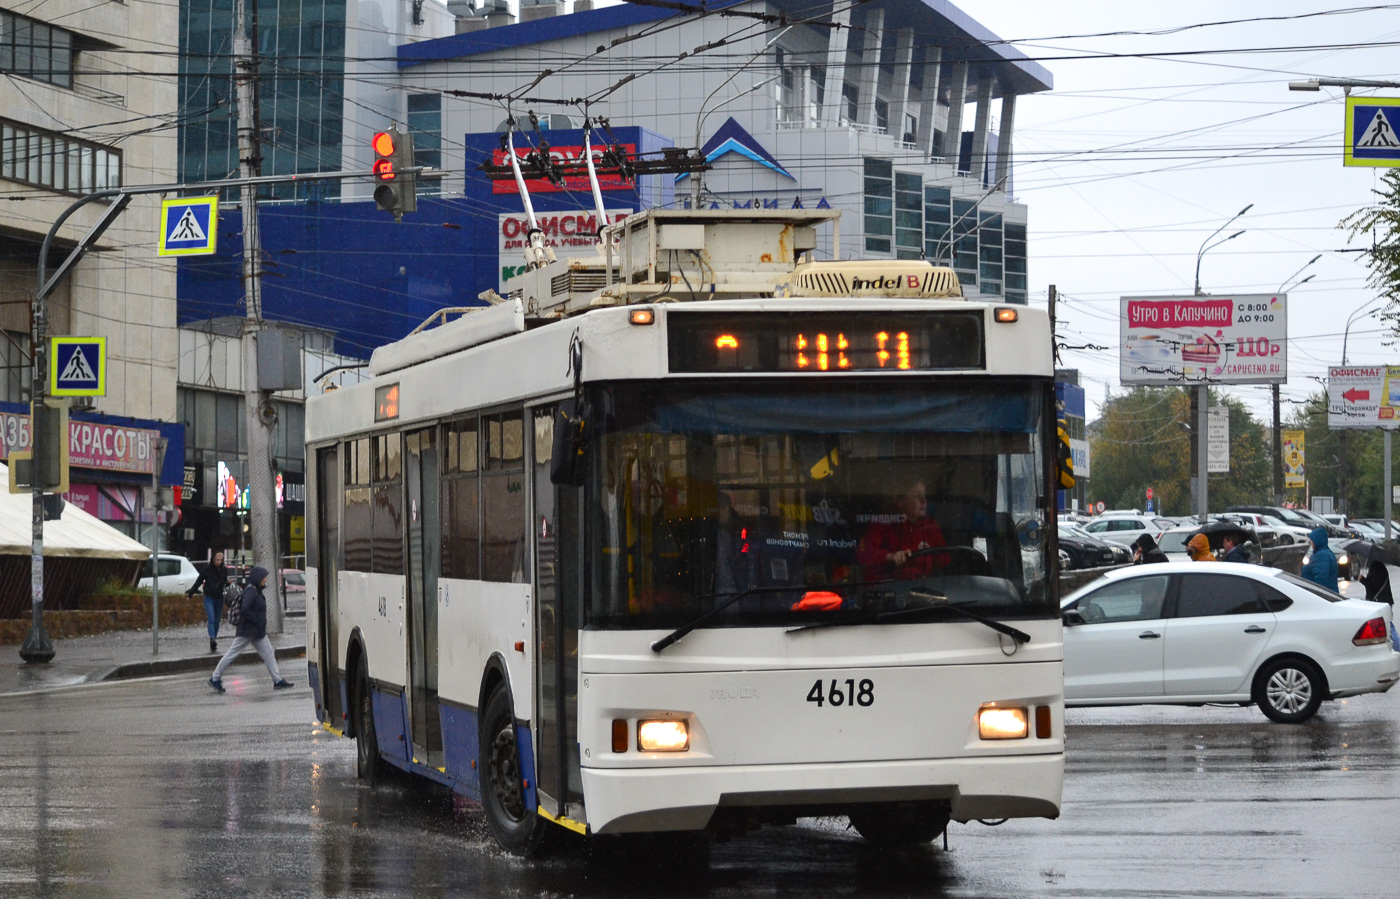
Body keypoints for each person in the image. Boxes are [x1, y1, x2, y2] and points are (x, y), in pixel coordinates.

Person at [208, 565, 294, 693]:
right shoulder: (251, 591)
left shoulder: (255, 590)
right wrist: (257, 620)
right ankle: (215, 678)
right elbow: (245, 609)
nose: (266, 580)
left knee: (269, 653)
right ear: (258, 578)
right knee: (232, 653)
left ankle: (277, 680)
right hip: (248, 630)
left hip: (256, 631)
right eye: (264, 577)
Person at [857, 478, 948, 579]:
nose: (924, 501)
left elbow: (943, 563)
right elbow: (864, 553)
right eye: (917, 496)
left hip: (922, 591)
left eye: (924, 495)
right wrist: (891, 557)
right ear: (899, 502)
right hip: (885, 589)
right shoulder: (882, 523)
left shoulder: (931, 527)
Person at [187, 550, 231, 653]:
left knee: (217, 620)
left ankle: (214, 639)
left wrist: (228, 583)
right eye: (217, 560)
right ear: (213, 559)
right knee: (211, 618)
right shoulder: (207, 569)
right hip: (209, 597)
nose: (219, 562)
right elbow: (199, 581)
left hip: (219, 597)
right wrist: (191, 593)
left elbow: (223, 582)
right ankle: (212, 638)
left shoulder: (224, 570)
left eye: (220, 560)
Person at [1300, 527, 1339, 593]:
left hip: (1320, 597)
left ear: (1317, 540)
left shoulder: (1321, 556)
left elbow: (1320, 580)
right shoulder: (1327, 553)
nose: (1310, 541)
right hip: (1331, 593)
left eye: (1312, 539)